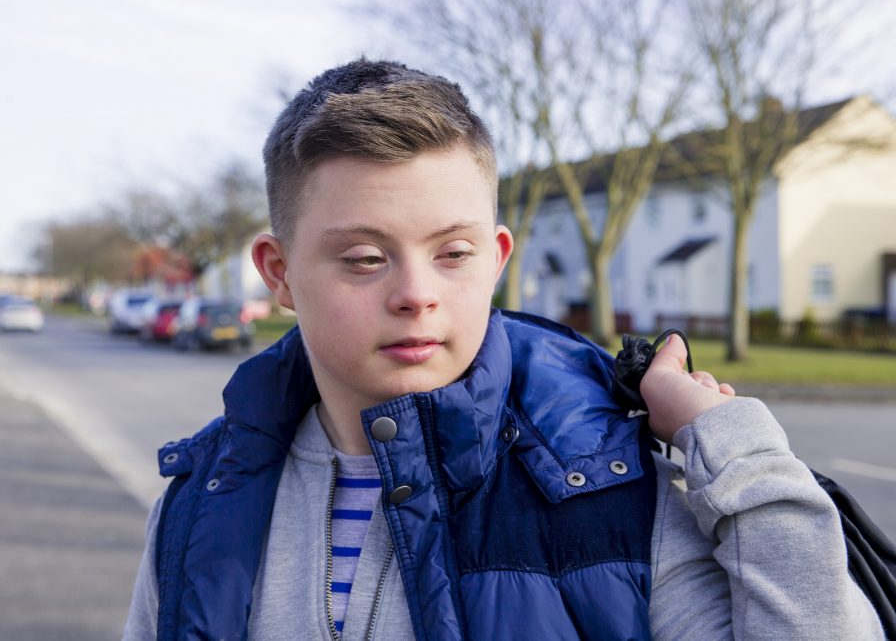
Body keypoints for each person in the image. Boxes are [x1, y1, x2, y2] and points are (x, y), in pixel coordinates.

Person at [123, 58, 883, 640]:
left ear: (497, 258)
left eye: (452, 254)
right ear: (279, 273)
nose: (416, 293)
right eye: (363, 258)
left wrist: (735, 447)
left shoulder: (613, 495)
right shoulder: (199, 508)